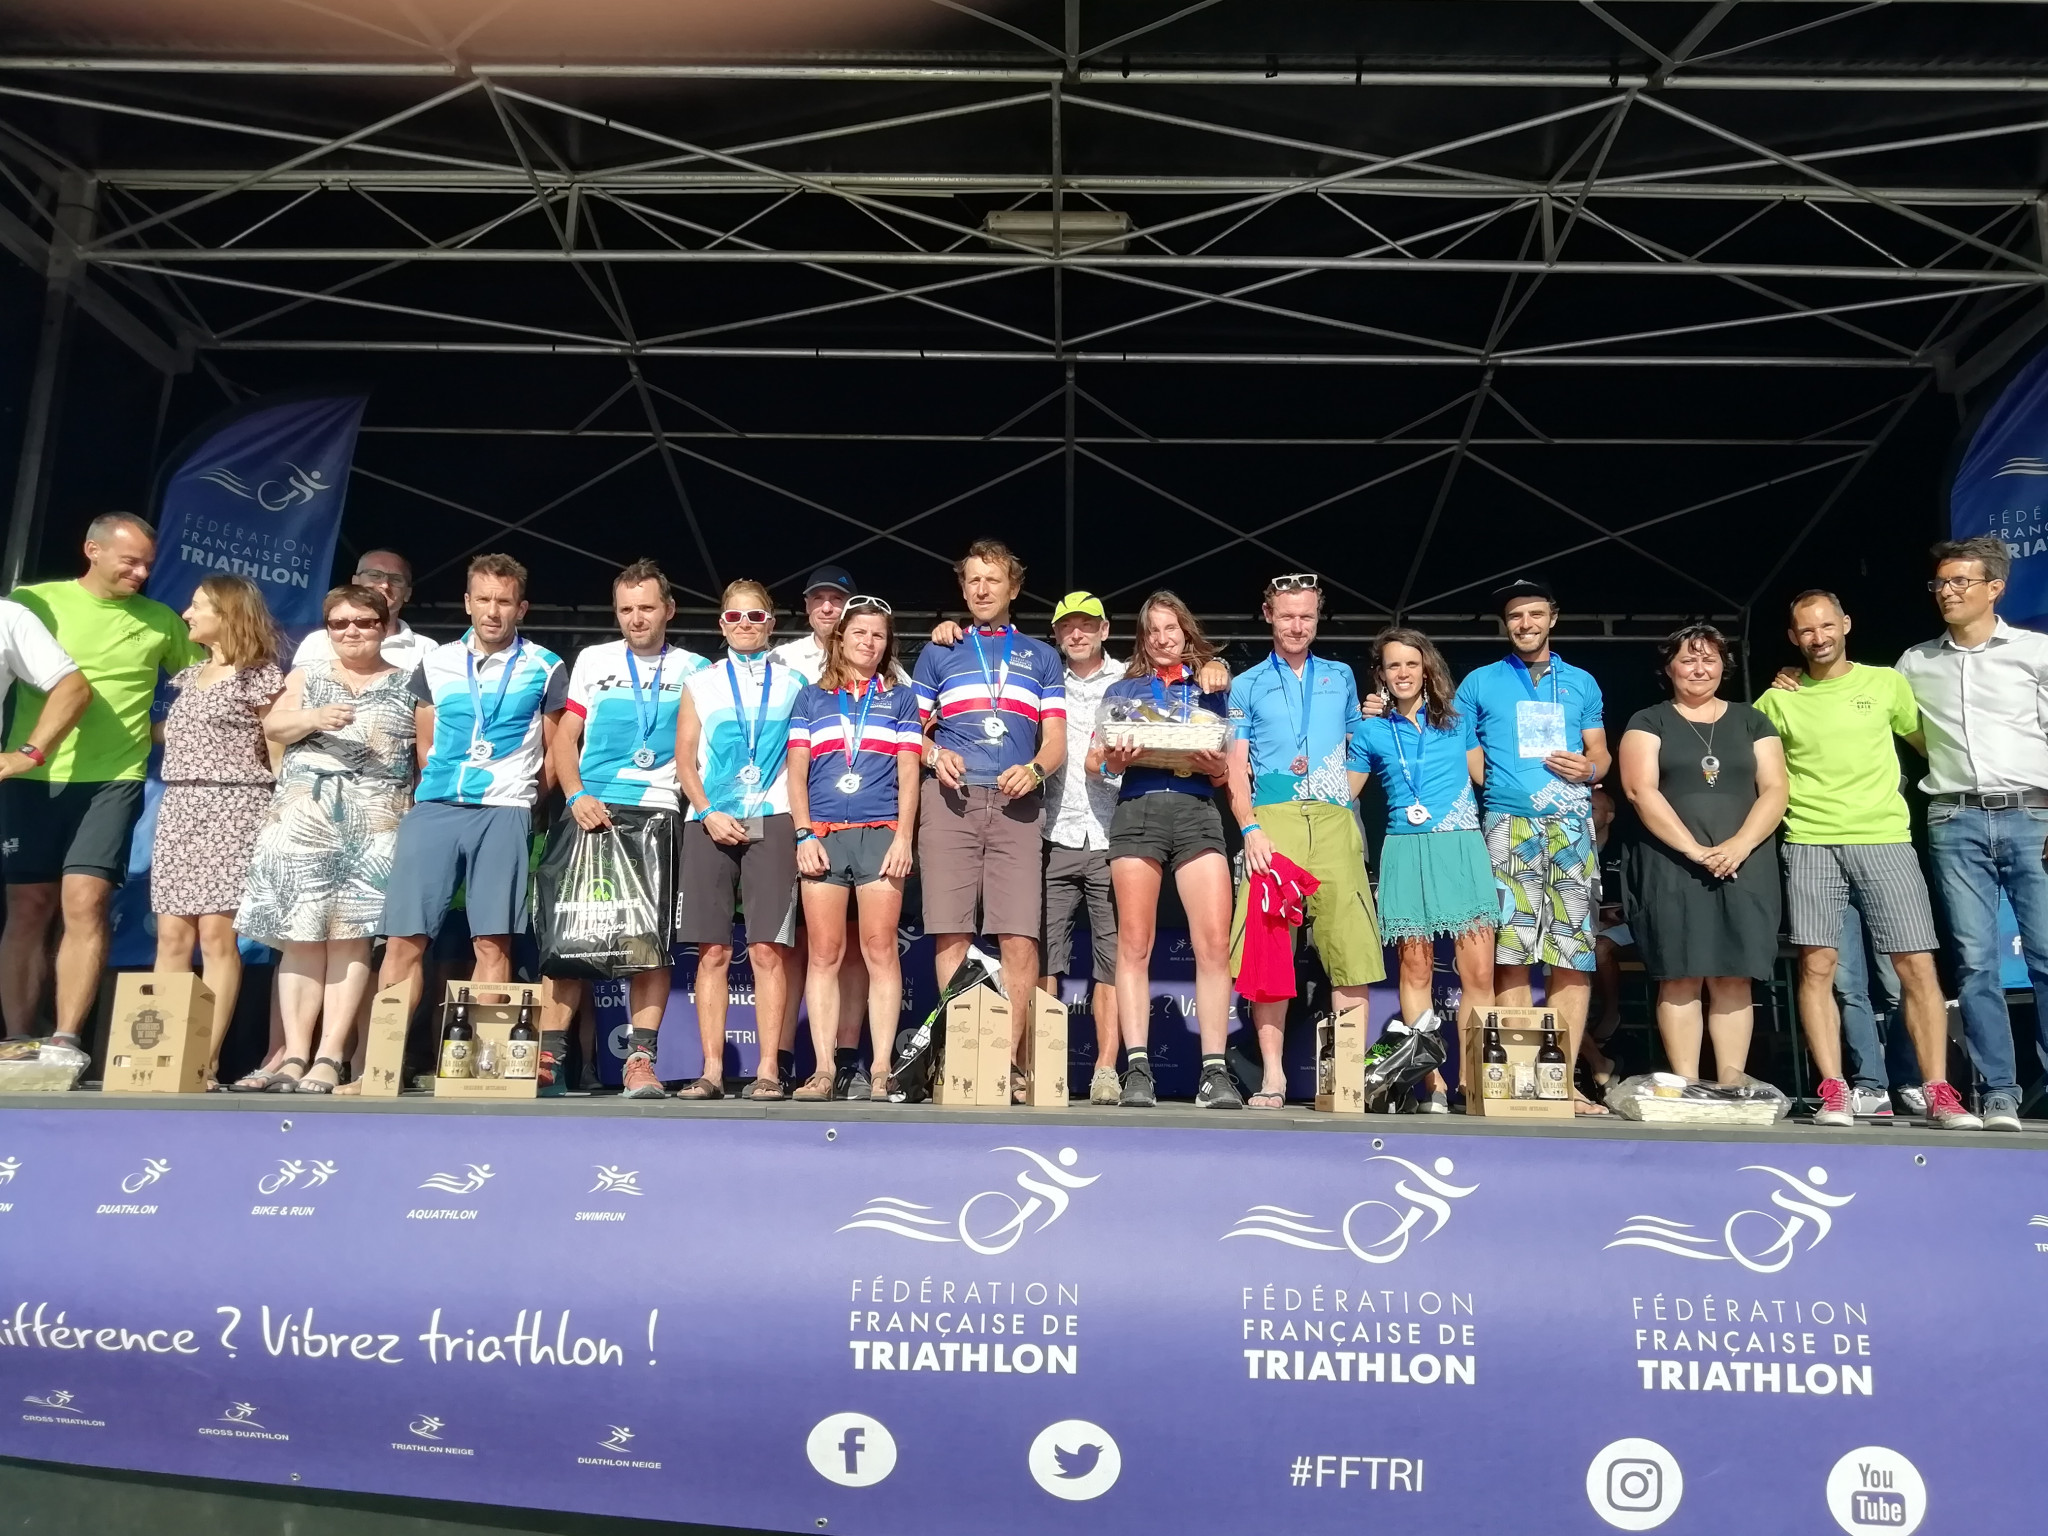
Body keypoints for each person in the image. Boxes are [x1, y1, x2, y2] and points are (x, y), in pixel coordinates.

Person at [928, 592, 1230, 1105]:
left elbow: (1226, 760)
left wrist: (1214, 671)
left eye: (1087, 625)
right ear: (1055, 634)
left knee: (1119, 956)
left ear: (1106, 629)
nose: (1077, 634)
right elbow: (1095, 760)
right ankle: (1035, 1070)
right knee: (1046, 956)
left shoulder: (1137, 679)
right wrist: (947, 632)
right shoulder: (1042, 673)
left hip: (1113, 828)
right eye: (1067, 626)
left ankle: (1111, 1071)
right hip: (1054, 831)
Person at [1755, 590, 1981, 1128]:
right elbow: (1756, 774)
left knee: (1916, 966)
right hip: (1809, 842)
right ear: (1793, 638)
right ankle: (1835, 1090)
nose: (1819, 637)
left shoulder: (1886, 683)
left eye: (1827, 625)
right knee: (1818, 967)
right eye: (1807, 630)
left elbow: (1931, 746)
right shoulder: (1776, 700)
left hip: (1884, 838)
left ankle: (1938, 1090)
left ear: (1847, 624)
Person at [1, 513, 202, 1058]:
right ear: (92, 550)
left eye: (148, 565)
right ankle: (16, 1038)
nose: (141, 574)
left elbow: (210, 683)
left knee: (85, 901)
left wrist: (161, 729)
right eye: (130, 561)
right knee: (28, 904)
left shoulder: (160, 620)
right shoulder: (34, 603)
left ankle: (66, 1037)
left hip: (114, 777)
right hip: (31, 775)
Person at [1891, 535, 2048, 1131]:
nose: (1947, 592)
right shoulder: (1915, 662)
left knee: (2046, 956)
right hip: (1954, 819)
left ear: (1995, 588)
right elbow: (1885, 715)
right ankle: (1998, 1092)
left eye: (1961, 581)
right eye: (1940, 583)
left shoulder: (2035, 652)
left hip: (2033, 814)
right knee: (1977, 965)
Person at [235, 586, 417, 1093]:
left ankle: (330, 1055)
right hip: (303, 821)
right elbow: (274, 725)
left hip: (374, 825)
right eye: (339, 623)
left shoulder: (410, 683)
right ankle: (294, 1054)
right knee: (300, 939)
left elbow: (425, 754)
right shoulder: (307, 675)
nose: (351, 631)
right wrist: (313, 718)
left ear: (384, 626)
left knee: (351, 940)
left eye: (363, 622)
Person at [540, 559, 707, 1099]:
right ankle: (548, 1061)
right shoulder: (593, 659)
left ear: (669, 610)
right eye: (626, 609)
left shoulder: (696, 668)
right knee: (569, 937)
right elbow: (565, 738)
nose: (636, 619)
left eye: (647, 608)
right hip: (590, 807)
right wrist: (575, 794)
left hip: (658, 811)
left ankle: (640, 1061)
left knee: (648, 944)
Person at [913, 539, 1067, 1100]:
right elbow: (912, 733)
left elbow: (1056, 740)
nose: (981, 590)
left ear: (1014, 588)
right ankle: (961, 1063)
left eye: (992, 580)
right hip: (950, 800)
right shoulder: (938, 652)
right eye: (972, 580)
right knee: (951, 929)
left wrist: (1036, 768)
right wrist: (935, 754)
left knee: (1018, 935)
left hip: (1016, 803)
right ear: (962, 588)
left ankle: (1007, 1066)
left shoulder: (1042, 656)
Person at [1226, 572, 1386, 1109]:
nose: (1297, 626)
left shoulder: (1340, 675)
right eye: (1288, 616)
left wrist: (1343, 795)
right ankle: (1273, 1077)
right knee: (1270, 951)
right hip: (1274, 821)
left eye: (1307, 617)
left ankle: (1348, 1078)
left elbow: (1358, 745)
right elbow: (1235, 767)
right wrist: (1250, 827)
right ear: (1268, 615)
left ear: (1318, 620)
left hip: (1336, 820)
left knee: (1351, 949)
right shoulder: (1247, 684)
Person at [1451, 577, 1610, 1114]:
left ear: (1552, 618)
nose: (1526, 624)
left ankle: (1560, 1081)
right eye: (1516, 616)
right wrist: (1499, 786)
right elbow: (1463, 749)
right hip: (1508, 826)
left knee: (1572, 955)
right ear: (1506, 624)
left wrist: (1590, 770)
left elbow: (1600, 753)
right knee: (1512, 954)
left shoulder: (1582, 681)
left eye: (1535, 614)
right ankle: (1520, 1080)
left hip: (1571, 828)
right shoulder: (1479, 681)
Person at [377, 553, 566, 996]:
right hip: (436, 806)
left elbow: (555, 752)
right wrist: (439, 787)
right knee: (404, 940)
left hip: (504, 810)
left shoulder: (545, 665)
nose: (492, 611)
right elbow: (425, 744)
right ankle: (386, 1044)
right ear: (467, 602)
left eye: (504, 601)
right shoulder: (437, 661)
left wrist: (524, 800)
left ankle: (483, 1043)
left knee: (492, 944)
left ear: (521, 608)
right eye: (483, 599)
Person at [1086, 592, 1239, 1109]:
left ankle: (1214, 1071)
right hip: (1139, 809)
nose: (1162, 638)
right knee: (1134, 945)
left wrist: (1216, 767)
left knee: (1213, 944)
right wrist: (1114, 760)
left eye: (1171, 628)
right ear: (1142, 638)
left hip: (1198, 810)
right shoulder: (1123, 689)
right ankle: (1137, 1069)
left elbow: (1226, 768)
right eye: (1152, 630)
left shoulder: (1212, 685)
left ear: (1186, 631)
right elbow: (1094, 763)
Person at [1617, 624, 1787, 1086]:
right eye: (1688, 660)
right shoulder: (1648, 720)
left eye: (1709, 659)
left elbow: (1775, 789)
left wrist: (1740, 844)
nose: (1699, 669)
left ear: (1723, 667)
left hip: (1744, 863)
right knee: (1680, 974)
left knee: (1735, 976)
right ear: (1669, 668)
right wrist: (1693, 850)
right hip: (1672, 865)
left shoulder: (1753, 720)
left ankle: (1731, 1084)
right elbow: (1639, 790)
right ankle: (1686, 1085)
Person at [1344, 627, 1491, 1113]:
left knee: (1478, 973)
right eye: (1393, 665)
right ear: (1381, 675)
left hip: (1461, 848)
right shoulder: (1370, 731)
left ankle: (1473, 1083)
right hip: (1405, 853)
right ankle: (1433, 1085)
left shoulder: (1458, 721)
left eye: (1411, 663)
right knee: (1415, 969)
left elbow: (1488, 779)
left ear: (1426, 669)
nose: (1403, 673)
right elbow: (1342, 793)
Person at [673, 580, 806, 1100]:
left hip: (772, 817)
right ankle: (711, 1070)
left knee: (768, 950)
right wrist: (707, 812)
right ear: (721, 625)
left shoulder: (794, 682)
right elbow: (685, 759)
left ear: (771, 622)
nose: (744, 625)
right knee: (712, 951)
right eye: (734, 617)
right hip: (710, 820)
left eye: (754, 616)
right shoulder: (700, 682)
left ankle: (768, 1069)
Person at [786, 596, 922, 1100]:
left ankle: (883, 1069)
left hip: (881, 833)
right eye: (860, 633)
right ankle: (823, 1070)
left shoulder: (901, 699)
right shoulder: (811, 698)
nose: (869, 642)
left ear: (888, 645)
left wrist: (904, 837)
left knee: (880, 950)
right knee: (824, 953)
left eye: (879, 635)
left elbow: (910, 773)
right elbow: (796, 773)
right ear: (840, 638)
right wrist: (803, 833)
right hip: (823, 835)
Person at [152, 575, 285, 1086]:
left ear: (227, 614)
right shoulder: (189, 676)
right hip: (181, 807)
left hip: (234, 806)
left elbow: (277, 748)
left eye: (197, 605)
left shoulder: (259, 675)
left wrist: (280, 810)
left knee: (215, 935)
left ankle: (202, 1060)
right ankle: (161, 1054)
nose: (187, 614)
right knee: (171, 935)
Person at [291, 549, 436, 674]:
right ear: (355, 581)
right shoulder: (317, 642)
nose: (385, 585)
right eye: (375, 575)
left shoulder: (426, 648)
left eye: (396, 579)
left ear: (408, 593)